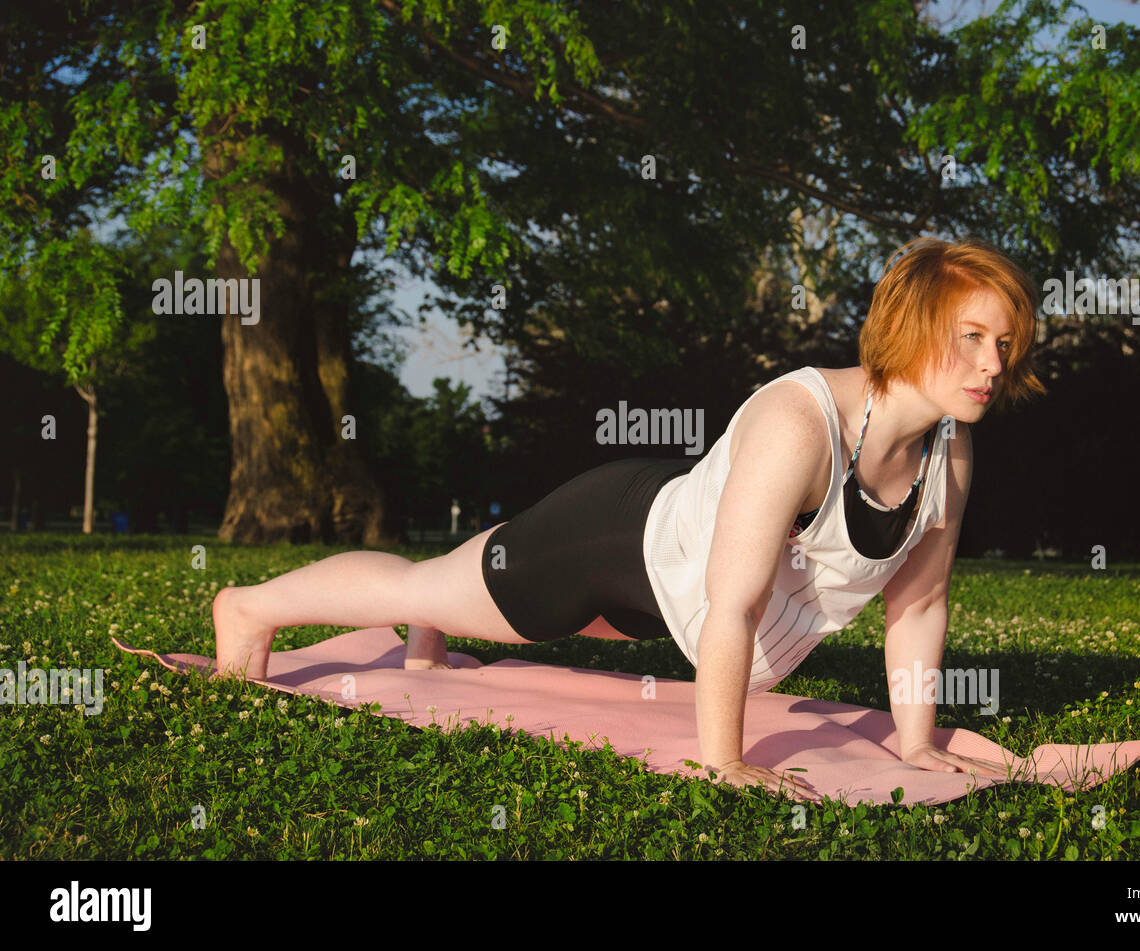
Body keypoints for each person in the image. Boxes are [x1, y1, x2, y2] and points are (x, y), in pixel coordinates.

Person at [212, 236, 1045, 801]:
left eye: (1004, 345)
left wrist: (915, 742)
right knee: (432, 586)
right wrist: (723, 760)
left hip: (664, 584)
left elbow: (920, 605)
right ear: (906, 326)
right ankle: (248, 607)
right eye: (970, 336)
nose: (991, 365)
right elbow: (733, 606)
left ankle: (428, 625)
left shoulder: (949, 456)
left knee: (462, 587)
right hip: (613, 540)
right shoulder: (802, 423)